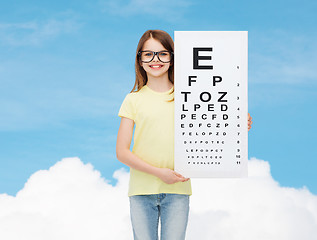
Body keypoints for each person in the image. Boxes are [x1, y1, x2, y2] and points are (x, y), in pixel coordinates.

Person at [116, 29, 253, 240]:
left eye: (162, 53)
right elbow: (122, 152)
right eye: (148, 54)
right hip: (141, 190)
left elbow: (209, 125)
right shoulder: (133, 99)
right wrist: (159, 172)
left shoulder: (189, 96)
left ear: (172, 58)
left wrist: (236, 122)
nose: (156, 60)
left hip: (178, 190)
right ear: (140, 60)